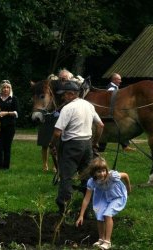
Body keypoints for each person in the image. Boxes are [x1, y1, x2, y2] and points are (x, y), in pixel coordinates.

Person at [49, 81, 104, 214]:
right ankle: (88, 207)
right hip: (87, 145)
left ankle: (64, 206)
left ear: (71, 94)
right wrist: (95, 142)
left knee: (66, 176)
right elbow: (100, 125)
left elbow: (57, 132)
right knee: (87, 176)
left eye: (64, 95)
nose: (63, 97)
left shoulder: (68, 108)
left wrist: (52, 144)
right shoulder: (88, 105)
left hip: (71, 146)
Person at [76, 157, 131, 250]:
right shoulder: (92, 181)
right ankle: (101, 239)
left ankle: (107, 241)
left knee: (107, 214)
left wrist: (128, 187)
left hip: (117, 197)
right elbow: (86, 198)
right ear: (93, 173)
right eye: (99, 172)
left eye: (103, 170)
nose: (102, 174)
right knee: (99, 215)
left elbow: (125, 175)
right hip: (103, 197)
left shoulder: (112, 176)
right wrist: (81, 215)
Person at [99, 73, 136, 152]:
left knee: (111, 129)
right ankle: (124, 146)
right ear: (114, 80)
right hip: (111, 111)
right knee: (114, 128)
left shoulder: (115, 87)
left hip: (113, 111)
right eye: (119, 79)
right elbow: (112, 101)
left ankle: (124, 146)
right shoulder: (111, 89)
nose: (120, 81)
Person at [0, 80, 20, 169]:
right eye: (4, 87)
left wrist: (6, 113)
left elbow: (17, 113)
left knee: (7, 146)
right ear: (1, 89)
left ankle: (6, 166)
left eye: (8, 87)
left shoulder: (13, 99)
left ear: (10, 89)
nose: (6, 89)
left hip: (10, 126)